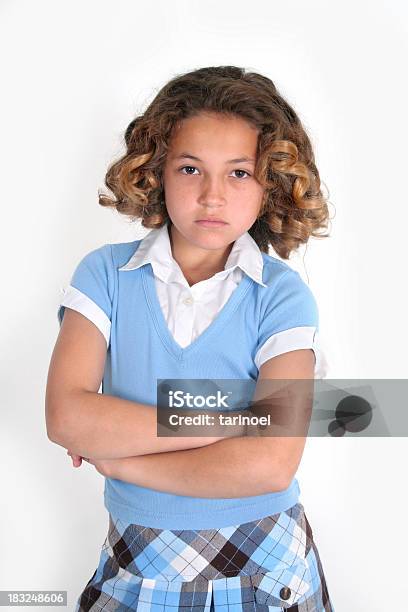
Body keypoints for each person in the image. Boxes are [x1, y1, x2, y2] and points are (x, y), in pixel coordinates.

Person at [45, 65, 335, 611]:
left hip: (265, 567)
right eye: (190, 168)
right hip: (137, 562)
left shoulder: (282, 296)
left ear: (268, 182)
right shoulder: (105, 276)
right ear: (156, 171)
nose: (212, 196)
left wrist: (124, 459)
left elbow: (270, 463)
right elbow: (67, 417)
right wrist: (242, 414)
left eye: (239, 174)